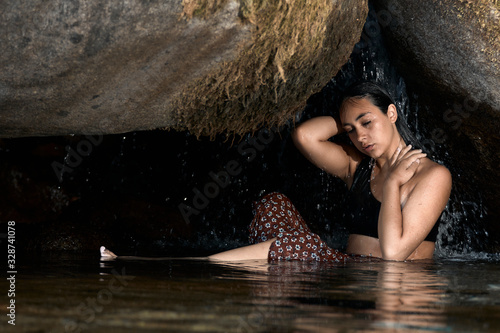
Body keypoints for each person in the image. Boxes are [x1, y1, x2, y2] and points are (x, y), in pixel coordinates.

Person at [101, 82, 452, 262]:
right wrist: (345, 113)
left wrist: (391, 184)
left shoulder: (434, 176)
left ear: (391, 113)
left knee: (298, 247)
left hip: (391, 282)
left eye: (367, 122)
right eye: (350, 130)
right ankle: (247, 262)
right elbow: (304, 136)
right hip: (346, 266)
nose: (360, 136)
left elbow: (394, 256)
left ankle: (201, 265)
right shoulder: (356, 166)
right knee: (273, 204)